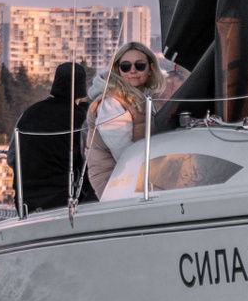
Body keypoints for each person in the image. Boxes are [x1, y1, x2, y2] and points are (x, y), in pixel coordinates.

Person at [84, 42, 181, 197]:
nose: (133, 70)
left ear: (151, 68)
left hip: (134, 179)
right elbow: (124, 155)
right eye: (125, 66)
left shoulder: (140, 98)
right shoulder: (111, 103)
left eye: (140, 65)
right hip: (115, 183)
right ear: (117, 70)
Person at [13, 61, 90, 212]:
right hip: (64, 201)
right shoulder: (82, 119)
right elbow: (89, 160)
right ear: (83, 88)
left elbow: (12, 158)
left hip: (25, 202)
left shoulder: (29, 113)